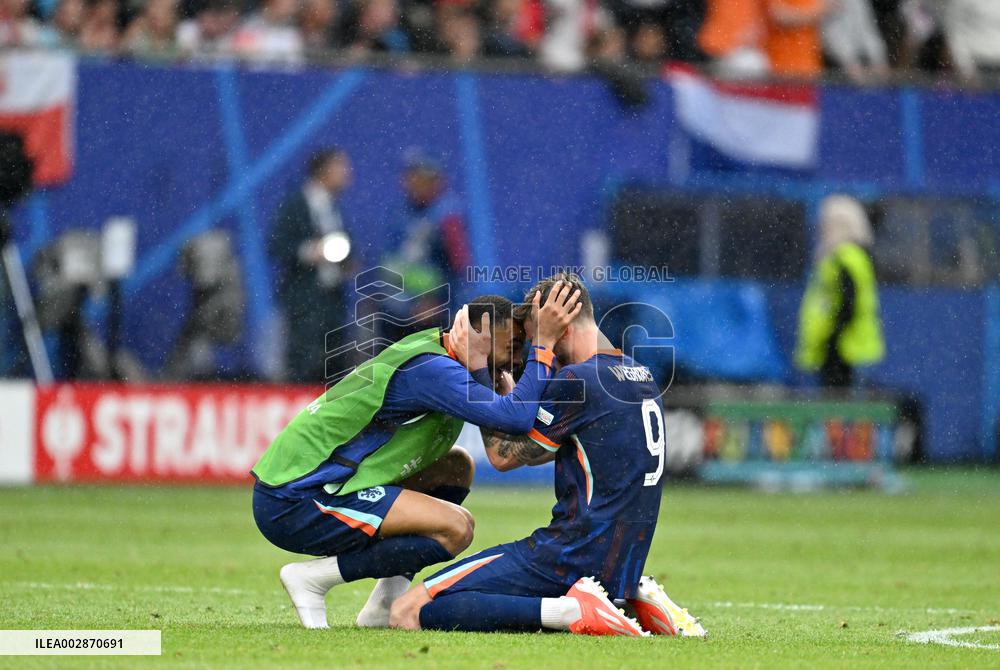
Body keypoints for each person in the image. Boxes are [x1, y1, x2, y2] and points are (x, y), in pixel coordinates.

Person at [388, 274, 706, 637]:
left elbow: (503, 457)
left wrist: (478, 368)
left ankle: (573, 610)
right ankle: (629, 598)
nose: (536, 350)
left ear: (562, 328)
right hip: (619, 565)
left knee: (408, 610)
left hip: (565, 556)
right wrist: (513, 402)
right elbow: (546, 450)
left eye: (541, 336)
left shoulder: (578, 381)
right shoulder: (639, 375)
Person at [251, 286, 582, 629]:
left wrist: (485, 369)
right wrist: (542, 349)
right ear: (480, 337)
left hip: (315, 489)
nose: (516, 362)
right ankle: (315, 578)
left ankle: (385, 603)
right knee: (456, 529)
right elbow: (514, 418)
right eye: (513, 348)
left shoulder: (447, 358)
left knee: (455, 467)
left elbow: (502, 452)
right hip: (293, 499)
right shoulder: (432, 370)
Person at [269, 148, 352, 383]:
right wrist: (310, 251)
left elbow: (346, 242)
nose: (347, 173)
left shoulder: (334, 206)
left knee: (333, 361)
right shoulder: (297, 203)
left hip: (332, 298)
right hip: (305, 299)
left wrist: (347, 260)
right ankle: (301, 414)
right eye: (341, 168)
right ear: (323, 172)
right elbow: (276, 246)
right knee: (304, 359)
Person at [796, 195, 885, 388]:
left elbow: (848, 302)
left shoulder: (845, 258)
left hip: (844, 353)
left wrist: (832, 339)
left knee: (840, 412)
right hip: (840, 351)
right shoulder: (843, 256)